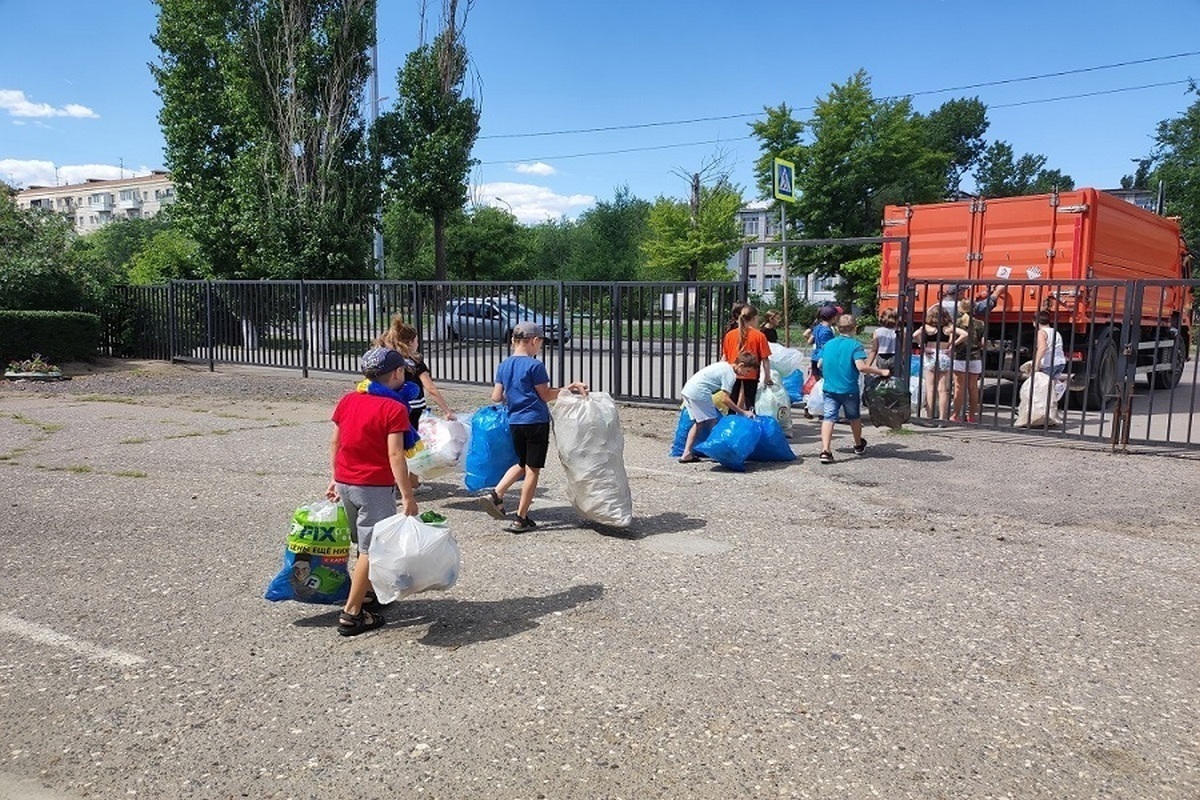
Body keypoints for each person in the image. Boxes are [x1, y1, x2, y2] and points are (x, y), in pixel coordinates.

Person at [326, 346, 418, 637]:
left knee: (362, 543)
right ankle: (351, 614)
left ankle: (364, 592)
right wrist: (408, 495)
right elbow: (395, 455)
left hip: (345, 481)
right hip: (374, 486)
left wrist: (334, 477)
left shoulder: (349, 399)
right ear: (397, 373)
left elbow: (335, 443)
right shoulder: (394, 408)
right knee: (371, 548)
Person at [478, 321, 588, 532]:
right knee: (532, 470)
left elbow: (496, 396)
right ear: (533, 340)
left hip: (515, 422)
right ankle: (521, 517)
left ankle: (496, 494)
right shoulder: (535, 366)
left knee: (522, 462)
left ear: (513, 341)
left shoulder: (504, 365)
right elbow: (545, 395)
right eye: (540, 343)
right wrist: (569, 388)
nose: (540, 347)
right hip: (535, 421)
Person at [375, 317, 456, 493]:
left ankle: (395, 480)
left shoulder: (390, 359)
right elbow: (431, 388)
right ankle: (411, 483)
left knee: (392, 444)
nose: (418, 343)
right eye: (417, 339)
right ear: (410, 342)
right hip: (413, 410)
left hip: (391, 406)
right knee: (410, 445)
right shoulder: (415, 362)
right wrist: (447, 410)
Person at [816, 314, 890, 464]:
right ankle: (858, 444)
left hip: (830, 388)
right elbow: (861, 367)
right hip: (849, 388)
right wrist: (881, 372)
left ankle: (825, 450)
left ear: (837, 328)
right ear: (855, 328)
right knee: (854, 417)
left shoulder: (829, 344)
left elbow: (819, 364)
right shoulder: (855, 345)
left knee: (829, 418)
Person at [678, 352, 759, 463]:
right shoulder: (730, 375)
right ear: (741, 365)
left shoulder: (724, 365)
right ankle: (717, 452)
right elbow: (725, 399)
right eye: (747, 370)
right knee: (713, 422)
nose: (747, 374)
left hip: (688, 389)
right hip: (699, 392)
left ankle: (686, 453)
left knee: (699, 423)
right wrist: (742, 412)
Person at [913, 305, 967, 422]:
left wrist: (922, 345)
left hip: (930, 354)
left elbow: (914, 335)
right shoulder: (949, 328)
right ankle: (943, 418)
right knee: (943, 389)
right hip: (944, 354)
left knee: (930, 388)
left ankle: (930, 416)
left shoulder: (927, 327)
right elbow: (964, 334)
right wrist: (953, 344)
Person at [721, 304, 772, 410]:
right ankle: (749, 422)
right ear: (754, 318)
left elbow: (724, 357)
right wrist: (767, 376)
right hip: (751, 373)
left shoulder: (729, 335)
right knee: (750, 403)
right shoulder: (759, 336)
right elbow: (765, 359)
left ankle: (731, 423)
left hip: (732, 372)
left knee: (732, 401)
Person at [951, 300, 986, 423]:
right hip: (975, 357)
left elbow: (951, 340)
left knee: (959, 387)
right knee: (973, 387)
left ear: (960, 309)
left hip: (959, 357)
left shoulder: (956, 323)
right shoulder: (981, 324)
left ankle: (955, 415)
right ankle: (972, 416)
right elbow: (983, 343)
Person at [805, 304, 839, 380]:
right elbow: (827, 348)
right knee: (824, 380)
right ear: (833, 318)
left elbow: (810, 340)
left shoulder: (818, 327)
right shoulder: (826, 331)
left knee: (817, 381)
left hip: (814, 357)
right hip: (822, 359)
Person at [1034, 309, 1067, 378]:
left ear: (1035, 322)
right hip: (1060, 362)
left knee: (1044, 385)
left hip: (1049, 363)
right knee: (1054, 383)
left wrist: (1036, 364)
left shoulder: (1041, 333)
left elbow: (1042, 348)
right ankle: (1060, 388)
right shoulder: (1056, 332)